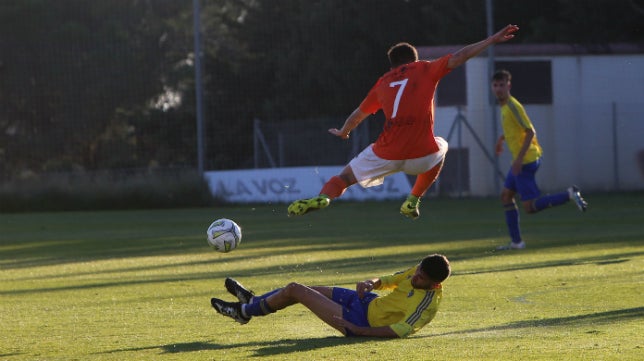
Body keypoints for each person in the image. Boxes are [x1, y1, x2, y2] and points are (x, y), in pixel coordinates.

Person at [287, 25, 521, 220]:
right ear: (414, 60)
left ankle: (325, 197)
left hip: (385, 152)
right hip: (421, 154)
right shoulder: (426, 68)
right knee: (442, 144)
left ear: (392, 66)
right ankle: (413, 199)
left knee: (345, 178)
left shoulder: (383, 82)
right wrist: (491, 39)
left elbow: (358, 114)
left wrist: (344, 131)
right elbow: (460, 56)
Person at [210, 254, 451, 338]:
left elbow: (400, 330)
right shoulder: (419, 271)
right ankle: (252, 304)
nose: (416, 276)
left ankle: (243, 311)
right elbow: (390, 280)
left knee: (295, 289)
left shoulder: (427, 304)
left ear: (434, 284)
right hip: (366, 303)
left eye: (421, 278)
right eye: (418, 270)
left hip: (360, 322)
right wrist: (371, 282)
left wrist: (359, 331)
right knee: (303, 289)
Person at [491, 69, 588, 250]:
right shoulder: (504, 107)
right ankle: (516, 242)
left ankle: (569, 194)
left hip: (526, 161)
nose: (498, 89)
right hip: (520, 160)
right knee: (506, 196)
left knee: (529, 207)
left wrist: (519, 160)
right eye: (495, 85)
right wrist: (501, 139)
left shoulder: (513, 106)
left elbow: (530, 131)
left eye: (502, 85)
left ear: (509, 86)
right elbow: (515, 130)